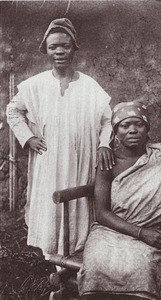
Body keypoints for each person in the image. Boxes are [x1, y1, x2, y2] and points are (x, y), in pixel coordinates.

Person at [6, 18, 114, 258]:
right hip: (49, 158)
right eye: (53, 46)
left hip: (81, 158)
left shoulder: (89, 86)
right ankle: (53, 257)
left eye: (64, 45)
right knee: (51, 201)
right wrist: (28, 137)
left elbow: (107, 120)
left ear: (73, 48)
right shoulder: (36, 85)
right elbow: (12, 110)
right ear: (46, 50)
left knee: (77, 202)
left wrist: (104, 144)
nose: (59, 51)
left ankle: (76, 255)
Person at [78, 101, 161, 300]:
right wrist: (140, 233)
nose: (132, 130)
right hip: (110, 231)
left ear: (147, 128)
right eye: (125, 126)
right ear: (116, 131)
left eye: (138, 124)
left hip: (153, 228)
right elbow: (101, 213)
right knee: (97, 264)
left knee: (141, 266)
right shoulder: (107, 162)